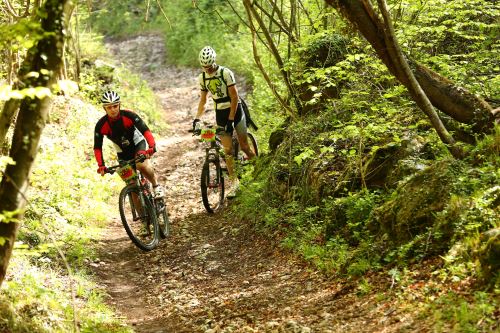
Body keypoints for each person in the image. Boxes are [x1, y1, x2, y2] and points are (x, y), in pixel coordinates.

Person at [192, 46, 255, 197]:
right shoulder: (203, 78)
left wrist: (231, 120)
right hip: (220, 112)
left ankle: (258, 168)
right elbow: (203, 101)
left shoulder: (225, 73)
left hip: (235, 109)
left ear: (214, 62)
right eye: (204, 67)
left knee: (245, 146)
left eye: (209, 66)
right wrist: (197, 119)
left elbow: (234, 97)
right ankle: (234, 184)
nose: (207, 69)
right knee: (227, 151)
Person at [93, 90, 164, 198]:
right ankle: (142, 214)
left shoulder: (129, 116)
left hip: (137, 144)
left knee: (141, 165)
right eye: (109, 107)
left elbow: (145, 130)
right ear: (105, 108)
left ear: (119, 105)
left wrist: (151, 146)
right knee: (132, 188)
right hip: (122, 152)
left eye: (115, 106)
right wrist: (101, 165)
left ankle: (156, 185)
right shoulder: (101, 125)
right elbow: (97, 147)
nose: (113, 110)